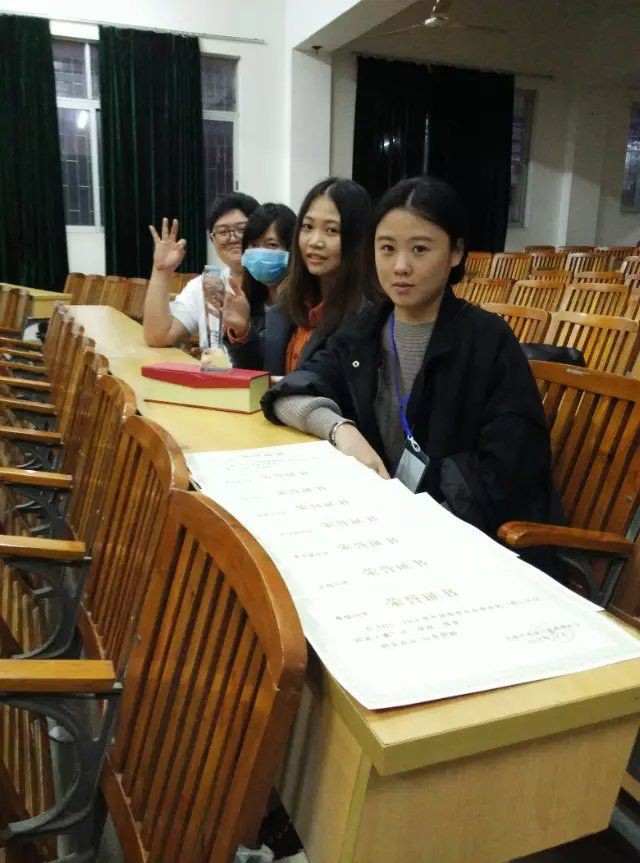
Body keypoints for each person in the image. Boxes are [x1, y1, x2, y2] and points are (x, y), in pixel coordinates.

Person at [262, 177, 557, 546]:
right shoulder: (363, 329)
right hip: (376, 525)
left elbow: (512, 472)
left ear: (455, 253)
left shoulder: (487, 341)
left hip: (461, 539)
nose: (400, 266)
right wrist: (341, 431)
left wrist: (417, 526)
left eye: (419, 249)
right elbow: (289, 395)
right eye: (387, 248)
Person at [227, 177, 372, 373]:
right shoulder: (289, 302)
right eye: (308, 227)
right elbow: (264, 376)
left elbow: (320, 381)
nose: (315, 241)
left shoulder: (364, 315)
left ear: (357, 237)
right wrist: (243, 331)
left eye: (331, 230)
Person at [143, 192, 259, 347]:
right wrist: (161, 272)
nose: (233, 238)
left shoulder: (274, 284)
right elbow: (158, 337)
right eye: (223, 232)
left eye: (242, 229)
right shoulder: (208, 284)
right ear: (212, 239)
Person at [223, 202, 296, 358]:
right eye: (254, 245)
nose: (260, 253)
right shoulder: (246, 305)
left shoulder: (304, 311)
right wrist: (242, 331)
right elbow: (249, 367)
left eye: (272, 245)